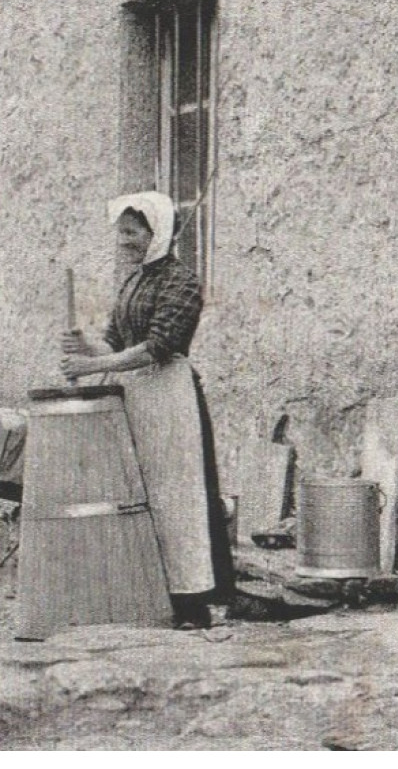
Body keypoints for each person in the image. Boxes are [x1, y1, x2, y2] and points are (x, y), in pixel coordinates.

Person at [59, 190, 236, 629]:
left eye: (133, 232)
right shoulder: (134, 281)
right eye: (120, 233)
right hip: (135, 397)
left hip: (170, 398)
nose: (124, 241)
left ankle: (192, 602)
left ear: (157, 233)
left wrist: (92, 365)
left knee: (178, 498)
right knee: (141, 495)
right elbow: (117, 344)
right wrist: (86, 347)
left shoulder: (182, 282)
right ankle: (148, 593)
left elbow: (156, 348)